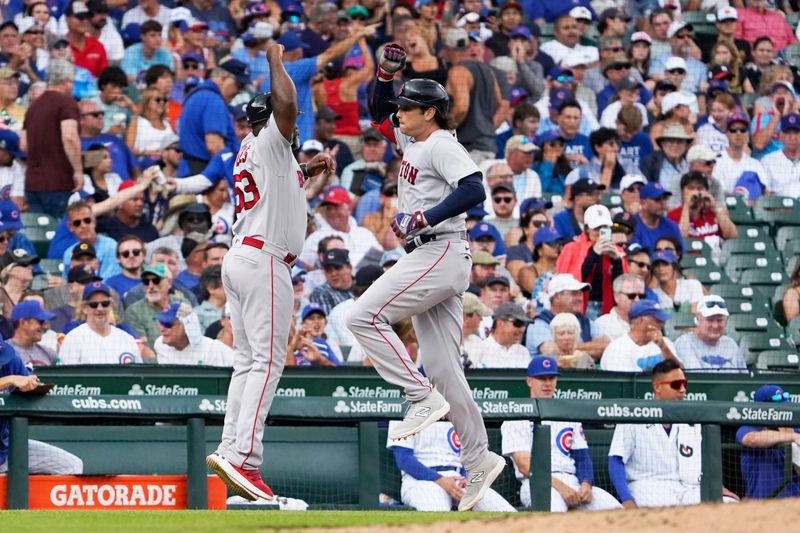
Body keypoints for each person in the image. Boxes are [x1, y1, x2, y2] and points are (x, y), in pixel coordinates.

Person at [346, 42, 505, 512]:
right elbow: (378, 115)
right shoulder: (414, 139)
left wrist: (425, 218)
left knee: (362, 316)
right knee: (444, 369)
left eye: (407, 108)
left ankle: (419, 397)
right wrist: (384, 76)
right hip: (436, 254)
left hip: (440, 248)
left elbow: (475, 188)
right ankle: (479, 460)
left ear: (430, 113)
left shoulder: (440, 143)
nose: (398, 114)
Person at [205, 43, 336, 503]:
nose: (294, 128)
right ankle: (245, 459)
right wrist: (278, 64)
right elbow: (287, 103)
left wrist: (310, 169)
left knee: (247, 362)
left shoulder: (256, 151)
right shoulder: (270, 138)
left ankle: (230, 450)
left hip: (242, 258)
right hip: (264, 263)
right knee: (266, 362)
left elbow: (283, 182)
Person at [502, 356, 621, 511]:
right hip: (537, 484)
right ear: (529, 381)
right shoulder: (516, 417)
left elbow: (582, 457)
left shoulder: (568, 414)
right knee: (555, 511)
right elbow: (525, 466)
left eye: (551, 378)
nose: (547, 383)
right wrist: (562, 488)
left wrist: (586, 484)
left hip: (572, 481)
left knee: (616, 511)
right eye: (541, 378)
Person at [387, 419, 516, 512]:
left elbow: (466, 457)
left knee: (505, 512)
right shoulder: (405, 409)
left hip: (456, 479)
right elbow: (403, 459)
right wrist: (440, 479)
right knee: (438, 517)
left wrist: (467, 479)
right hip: (421, 482)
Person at [1, 339, 83, 474]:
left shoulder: (11, 361)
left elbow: (27, 384)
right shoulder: (9, 376)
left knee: (71, 465)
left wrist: (31, 385)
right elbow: (13, 379)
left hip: (7, 446)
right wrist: (8, 380)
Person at [20, 59, 82, 217]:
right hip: (58, 183)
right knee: (60, 233)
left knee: (39, 235)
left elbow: (24, 145)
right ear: (66, 81)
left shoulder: (33, 106)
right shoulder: (66, 103)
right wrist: (78, 171)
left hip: (33, 184)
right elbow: (69, 137)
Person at [556, 204, 627, 318]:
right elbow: (570, 282)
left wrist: (617, 261)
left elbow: (621, 285)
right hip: (581, 306)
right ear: (586, 229)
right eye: (597, 228)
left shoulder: (617, 250)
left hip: (608, 309)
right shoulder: (572, 248)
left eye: (605, 227)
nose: (601, 232)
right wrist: (594, 254)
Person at [736, 384, 800, 499]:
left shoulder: (796, 430)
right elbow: (752, 439)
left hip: (794, 502)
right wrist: (792, 437)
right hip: (761, 503)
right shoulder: (749, 428)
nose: (783, 412)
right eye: (778, 409)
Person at [525, 273, 609, 359]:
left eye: (580, 294)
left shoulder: (585, 322)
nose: (580, 299)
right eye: (574, 294)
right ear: (557, 296)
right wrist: (590, 348)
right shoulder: (538, 324)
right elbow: (552, 352)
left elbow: (606, 346)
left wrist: (566, 348)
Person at [58, 281, 142, 365]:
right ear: (84, 308)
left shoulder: (127, 339)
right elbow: (64, 376)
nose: (100, 309)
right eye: (93, 304)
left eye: (105, 304)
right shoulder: (73, 339)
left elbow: (138, 374)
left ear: (111, 305)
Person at [600, 300, 678, 372]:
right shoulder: (618, 348)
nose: (662, 325)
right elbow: (625, 384)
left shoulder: (665, 343)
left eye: (663, 321)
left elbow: (681, 373)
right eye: (658, 320)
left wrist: (663, 347)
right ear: (639, 320)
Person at [124, 263, 189, 349]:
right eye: (146, 282)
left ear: (169, 282)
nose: (150, 286)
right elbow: (143, 350)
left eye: (156, 280)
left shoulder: (182, 304)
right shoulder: (134, 311)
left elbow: (191, 338)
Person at [674, 295, 746, 372]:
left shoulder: (731, 345)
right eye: (710, 320)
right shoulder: (685, 343)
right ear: (698, 319)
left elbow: (744, 378)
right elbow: (698, 378)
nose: (715, 326)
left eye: (720, 320)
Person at [153, 301, 233, 367]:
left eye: (168, 324)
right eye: (161, 323)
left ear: (186, 326)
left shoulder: (213, 349)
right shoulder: (160, 345)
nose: (162, 329)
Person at [62, 201, 120, 280]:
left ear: (94, 221)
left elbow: (109, 283)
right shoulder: (69, 253)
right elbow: (68, 283)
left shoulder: (111, 246)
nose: (83, 225)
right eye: (77, 223)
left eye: (87, 220)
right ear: (70, 227)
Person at [470, 302, 530, 369]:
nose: (522, 330)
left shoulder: (523, 351)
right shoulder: (479, 349)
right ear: (501, 323)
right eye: (518, 324)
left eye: (524, 325)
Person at [631, 183, 683, 254]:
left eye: (665, 198)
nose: (663, 202)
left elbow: (681, 254)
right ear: (643, 203)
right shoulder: (632, 225)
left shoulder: (672, 227)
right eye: (657, 199)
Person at [286, 303, 343, 367]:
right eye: (311, 318)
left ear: (325, 322)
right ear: (303, 323)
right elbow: (285, 371)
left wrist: (320, 359)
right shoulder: (295, 342)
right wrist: (291, 348)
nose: (316, 321)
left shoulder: (326, 344)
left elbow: (340, 371)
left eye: (320, 318)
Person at [594, 274, 646, 341]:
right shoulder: (603, 323)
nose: (637, 300)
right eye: (631, 296)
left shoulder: (648, 322)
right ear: (617, 297)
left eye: (641, 296)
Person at [7, 300, 57, 367]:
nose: (44, 326)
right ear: (23, 323)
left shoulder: (49, 353)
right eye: (40, 321)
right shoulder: (4, 352)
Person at [761, 114, 800, 198]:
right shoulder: (768, 160)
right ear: (781, 135)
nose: (792, 137)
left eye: (796, 132)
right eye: (788, 132)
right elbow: (764, 193)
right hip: (777, 208)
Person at [104, 237, 147, 302]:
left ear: (144, 256)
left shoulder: (154, 280)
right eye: (125, 254)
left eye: (136, 252)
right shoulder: (111, 284)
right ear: (118, 259)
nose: (131, 256)